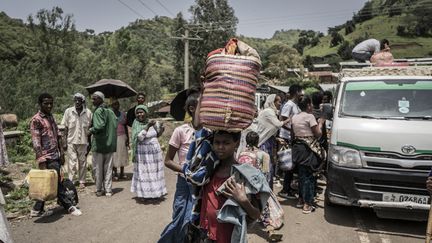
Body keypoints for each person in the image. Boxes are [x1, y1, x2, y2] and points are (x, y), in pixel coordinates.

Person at [198, 130, 268, 243]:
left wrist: (243, 200)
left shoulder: (243, 175)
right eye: (217, 142)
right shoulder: (208, 172)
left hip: (230, 238)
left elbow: (256, 214)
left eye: (226, 143)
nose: (220, 147)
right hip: (208, 235)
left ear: (237, 143)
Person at [30, 93, 81, 217]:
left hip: (55, 155)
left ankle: (37, 209)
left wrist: (62, 153)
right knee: (56, 182)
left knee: (48, 182)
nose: (49, 105)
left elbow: (58, 135)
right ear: (40, 104)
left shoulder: (50, 116)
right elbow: (36, 142)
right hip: (46, 157)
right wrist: (41, 160)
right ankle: (69, 206)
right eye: (46, 103)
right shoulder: (36, 120)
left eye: (51, 103)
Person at [158, 89, 199, 243]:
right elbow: (168, 160)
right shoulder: (181, 131)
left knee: (196, 219)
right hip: (184, 182)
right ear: (192, 108)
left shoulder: (209, 132)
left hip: (200, 184)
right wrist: (187, 171)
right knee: (180, 216)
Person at [291, 96, 326, 214]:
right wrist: (320, 123)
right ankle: (307, 203)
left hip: (297, 149)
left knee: (301, 175)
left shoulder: (295, 117)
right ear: (308, 105)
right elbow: (318, 134)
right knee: (309, 176)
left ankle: (301, 199)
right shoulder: (310, 117)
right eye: (310, 104)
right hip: (308, 150)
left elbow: (293, 134)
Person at [130, 105, 167, 200]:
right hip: (143, 154)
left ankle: (156, 193)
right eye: (137, 113)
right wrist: (147, 126)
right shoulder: (136, 123)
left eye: (141, 112)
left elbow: (158, 134)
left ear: (146, 113)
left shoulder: (152, 122)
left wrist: (161, 129)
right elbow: (139, 137)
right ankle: (144, 194)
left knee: (154, 172)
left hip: (154, 153)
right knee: (144, 172)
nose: (139, 114)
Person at [256, 94, 290, 190]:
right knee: (266, 169)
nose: (280, 104)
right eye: (279, 102)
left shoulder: (271, 112)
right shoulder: (268, 112)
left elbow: (269, 130)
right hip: (264, 144)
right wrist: (288, 119)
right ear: (273, 102)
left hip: (269, 142)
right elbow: (278, 124)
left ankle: (267, 192)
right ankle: (264, 192)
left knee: (268, 168)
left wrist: (276, 139)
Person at [61, 93, 92, 189]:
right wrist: (64, 142)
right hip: (71, 141)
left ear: (83, 101)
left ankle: (82, 181)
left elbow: (90, 129)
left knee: (82, 162)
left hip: (83, 142)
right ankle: (71, 181)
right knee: (72, 163)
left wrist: (90, 143)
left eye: (79, 100)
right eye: (76, 100)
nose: (77, 102)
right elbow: (65, 128)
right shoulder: (68, 111)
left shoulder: (88, 113)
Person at [90, 91, 117, 197]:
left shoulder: (97, 112)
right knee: (108, 168)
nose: (93, 100)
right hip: (109, 144)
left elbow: (99, 126)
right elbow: (114, 124)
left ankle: (99, 189)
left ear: (101, 99)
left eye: (95, 98)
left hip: (100, 144)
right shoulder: (110, 111)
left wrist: (91, 129)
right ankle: (108, 190)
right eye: (92, 98)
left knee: (98, 168)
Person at [278, 84, 303, 199]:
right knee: (289, 164)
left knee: (292, 164)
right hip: (287, 137)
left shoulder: (295, 105)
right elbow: (282, 121)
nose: (302, 93)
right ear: (296, 92)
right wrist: (293, 131)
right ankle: (285, 190)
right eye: (300, 91)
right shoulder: (288, 105)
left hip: (292, 137)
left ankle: (288, 187)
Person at [110, 99, 129, 180]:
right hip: (113, 137)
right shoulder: (109, 114)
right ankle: (115, 173)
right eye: (114, 104)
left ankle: (122, 172)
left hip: (122, 136)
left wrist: (128, 138)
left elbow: (125, 126)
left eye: (117, 104)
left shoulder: (123, 114)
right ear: (111, 106)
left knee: (122, 154)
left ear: (119, 105)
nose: (116, 106)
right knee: (114, 155)